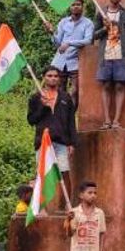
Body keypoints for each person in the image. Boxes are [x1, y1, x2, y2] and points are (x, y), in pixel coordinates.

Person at [27, 66, 78, 200]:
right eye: (49, 76)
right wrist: (43, 107)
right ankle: (42, 206)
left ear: (59, 79)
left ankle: (66, 204)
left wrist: (72, 143)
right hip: (43, 141)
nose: (53, 78)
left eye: (55, 76)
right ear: (43, 77)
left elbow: (71, 121)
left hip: (61, 142)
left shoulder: (65, 97)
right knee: (42, 173)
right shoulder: (36, 98)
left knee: (64, 172)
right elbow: (31, 120)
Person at [93, 0, 125, 129]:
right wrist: (104, 29)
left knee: (120, 86)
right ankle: (107, 120)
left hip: (121, 55)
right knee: (106, 85)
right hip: (105, 55)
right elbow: (94, 35)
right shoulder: (101, 13)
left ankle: (116, 120)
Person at [45, 0, 93, 106]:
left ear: (82, 6)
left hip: (75, 62)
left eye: (78, 4)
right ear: (70, 7)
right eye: (73, 5)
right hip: (60, 62)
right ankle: (60, 114)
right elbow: (58, 43)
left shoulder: (88, 23)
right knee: (59, 92)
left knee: (74, 91)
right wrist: (51, 33)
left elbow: (88, 40)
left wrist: (69, 43)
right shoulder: (64, 22)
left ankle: (71, 114)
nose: (76, 7)